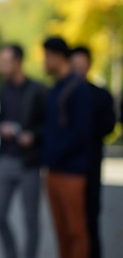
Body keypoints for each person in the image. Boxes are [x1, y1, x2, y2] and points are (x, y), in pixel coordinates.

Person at [0, 44, 48, 258]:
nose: (1, 65)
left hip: (29, 163)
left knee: (31, 219)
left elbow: (48, 125)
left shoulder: (38, 89)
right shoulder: (3, 89)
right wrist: (0, 128)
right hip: (6, 158)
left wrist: (32, 135)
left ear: (18, 62)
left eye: (5, 61)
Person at [42, 36, 94, 258]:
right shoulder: (57, 88)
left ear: (57, 56)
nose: (44, 62)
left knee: (76, 232)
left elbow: (82, 132)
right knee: (62, 232)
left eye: (46, 56)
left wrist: (55, 154)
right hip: (54, 170)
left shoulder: (78, 89)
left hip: (72, 172)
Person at [70, 46, 116, 258]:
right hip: (67, 168)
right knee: (70, 222)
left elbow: (108, 126)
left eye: (82, 65)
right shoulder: (63, 94)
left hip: (90, 165)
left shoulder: (99, 95)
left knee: (90, 217)